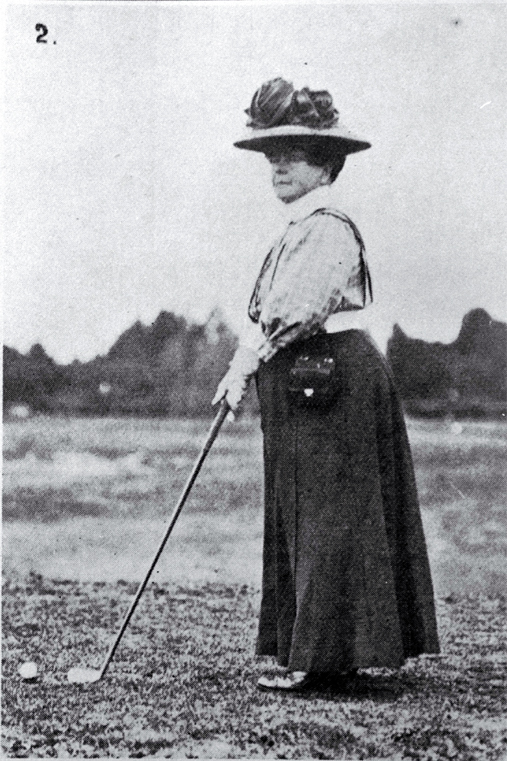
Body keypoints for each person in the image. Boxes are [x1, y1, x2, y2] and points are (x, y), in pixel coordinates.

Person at [213, 77, 439, 691]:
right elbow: (273, 311)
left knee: (328, 513)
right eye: (271, 153)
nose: (278, 164)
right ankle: (319, 654)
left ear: (326, 163)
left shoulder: (327, 225)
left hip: (331, 378)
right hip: (309, 381)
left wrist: (246, 361)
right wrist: (245, 360)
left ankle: (319, 659)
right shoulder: (300, 225)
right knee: (309, 509)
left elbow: (297, 309)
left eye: (295, 153)